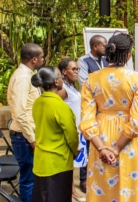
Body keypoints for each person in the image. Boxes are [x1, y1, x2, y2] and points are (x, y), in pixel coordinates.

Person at [79, 32, 138, 201]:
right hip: (129, 141)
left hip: (101, 136)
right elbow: (136, 120)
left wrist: (102, 148)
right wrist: (117, 148)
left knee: (102, 186)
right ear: (128, 56)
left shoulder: (91, 79)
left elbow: (86, 121)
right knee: (130, 185)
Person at [31, 66, 79, 202]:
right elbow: (72, 136)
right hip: (58, 164)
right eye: (60, 76)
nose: (62, 79)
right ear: (56, 82)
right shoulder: (60, 106)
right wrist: (74, 151)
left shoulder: (38, 102)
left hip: (41, 162)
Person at [7, 43, 44, 202]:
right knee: (28, 179)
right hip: (24, 136)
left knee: (33, 178)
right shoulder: (23, 78)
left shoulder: (28, 75)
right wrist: (32, 139)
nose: (43, 59)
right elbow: (20, 112)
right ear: (34, 59)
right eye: (42, 57)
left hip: (27, 134)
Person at [77, 35, 108, 193]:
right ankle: (84, 179)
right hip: (91, 109)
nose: (107, 47)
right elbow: (84, 83)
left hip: (105, 111)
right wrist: (107, 88)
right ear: (95, 46)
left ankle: (101, 175)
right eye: (104, 45)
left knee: (102, 142)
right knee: (88, 142)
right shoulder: (83, 61)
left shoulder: (107, 60)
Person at [57, 58, 86, 202]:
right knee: (68, 163)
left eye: (77, 69)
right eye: (73, 69)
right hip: (68, 130)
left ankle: (72, 190)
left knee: (74, 163)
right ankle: (71, 192)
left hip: (78, 129)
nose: (76, 72)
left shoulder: (72, 86)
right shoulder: (62, 89)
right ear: (64, 71)